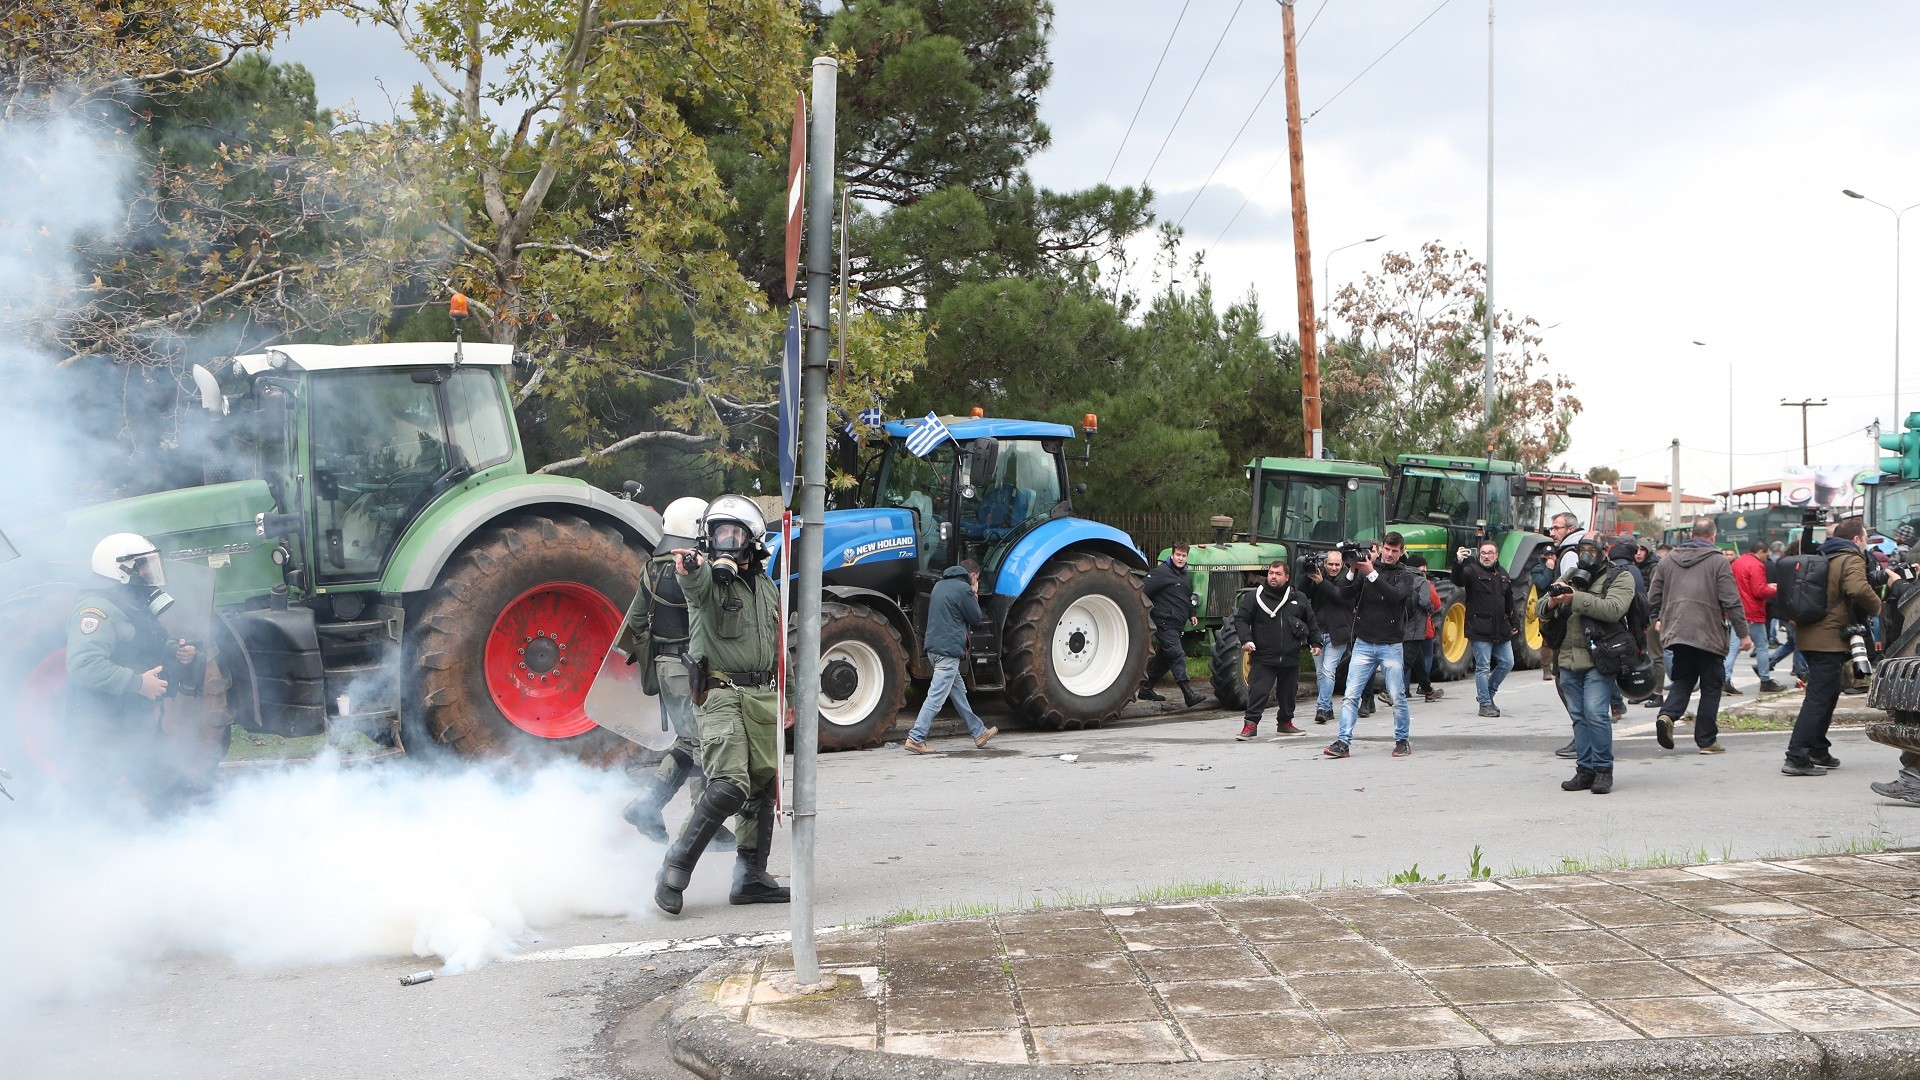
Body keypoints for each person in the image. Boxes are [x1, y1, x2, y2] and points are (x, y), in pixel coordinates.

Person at [656, 495, 788, 914]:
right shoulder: (708, 581)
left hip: (764, 695)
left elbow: (779, 645)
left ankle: (749, 878)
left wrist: (789, 698)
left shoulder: (766, 586)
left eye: (734, 533)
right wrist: (691, 569)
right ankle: (675, 866)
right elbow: (693, 586)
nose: (726, 541)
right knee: (730, 785)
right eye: (718, 534)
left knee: (763, 785)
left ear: (753, 539)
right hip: (720, 695)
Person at [621, 498, 732, 850]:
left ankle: (646, 805)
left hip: (665, 668)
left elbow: (636, 622)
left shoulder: (652, 567)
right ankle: (706, 822)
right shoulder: (698, 569)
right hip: (692, 670)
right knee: (702, 744)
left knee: (687, 740)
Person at [66, 533, 198, 810]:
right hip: (103, 727)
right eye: (142, 565)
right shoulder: (97, 609)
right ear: (120, 569)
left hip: (132, 719)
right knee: (89, 801)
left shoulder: (129, 602)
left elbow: (139, 642)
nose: (149, 571)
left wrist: (174, 649)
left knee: (171, 790)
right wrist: (137, 683)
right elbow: (83, 665)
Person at [1539, 537, 1637, 794]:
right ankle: (1585, 770)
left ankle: (1603, 770)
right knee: (1579, 716)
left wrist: (1575, 598)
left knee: (1595, 713)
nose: (1586, 555)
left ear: (1605, 551)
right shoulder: (1571, 573)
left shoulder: (1620, 576)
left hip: (1599, 656)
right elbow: (1541, 607)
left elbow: (1614, 609)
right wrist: (1551, 602)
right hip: (1568, 656)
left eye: (1591, 550)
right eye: (1581, 550)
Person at [1783, 518, 1880, 776]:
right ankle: (1797, 756)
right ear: (1857, 540)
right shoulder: (1851, 558)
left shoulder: (1822, 556)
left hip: (1809, 635)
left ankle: (1817, 748)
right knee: (1818, 698)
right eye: (1865, 540)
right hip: (1828, 639)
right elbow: (1857, 588)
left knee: (1828, 694)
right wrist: (1877, 606)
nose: (1865, 545)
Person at [1647, 518, 1750, 756]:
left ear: (1691, 534)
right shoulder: (1718, 561)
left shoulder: (1668, 560)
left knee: (1683, 679)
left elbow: (1653, 595)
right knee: (1712, 685)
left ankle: (1667, 714)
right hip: (1708, 632)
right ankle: (1706, 741)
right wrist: (1743, 634)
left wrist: (1655, 619)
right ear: (1713, 537)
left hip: (1677, 631)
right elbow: (1731, 601)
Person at [1325, 534, 1418, 760]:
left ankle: (1402, 740)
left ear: (1401, 551)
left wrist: (1371, 574)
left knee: (1396, 696)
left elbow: (1395, 596)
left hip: (1391, 644)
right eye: (1387, 549)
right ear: (1381, 548)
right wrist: (1352, 569)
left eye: (1394, 551)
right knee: (1350, 695)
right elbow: (1343, 594)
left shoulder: (1405, 575)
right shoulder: (1366, 570)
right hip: (1364, 643)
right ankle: (1343, 742)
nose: (1389, 554)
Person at [905, 559, 998, 753]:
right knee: (936, 696)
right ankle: (916, 737)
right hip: (948, 652)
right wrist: (974, 593)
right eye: (977, 578)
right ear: (972, 575)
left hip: (933, 649)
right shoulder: (963, 589)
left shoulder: (939, 585)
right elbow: (976, 617)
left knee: (958, 693)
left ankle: (978, 732)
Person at [1234, 559, 1317, 740]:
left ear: (1287, 577)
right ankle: (1250, 725)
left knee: (1288, 694)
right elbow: (1240, 619)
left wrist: (1316, 643)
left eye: (1278, 574)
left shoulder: (1298, 598)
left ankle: (1285, 723)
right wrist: (1245, 640)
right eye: (1271, 573)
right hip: (1264, 656)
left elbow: (1311, 622)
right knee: (1258, 692)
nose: (1273, 576)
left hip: (1290, 656)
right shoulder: (1255, 597)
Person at [1452, 540, 1519, 717]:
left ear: (1496, 555)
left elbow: (1509, 602)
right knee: (1483, 667)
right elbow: (1458, 580)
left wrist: (1515, 623)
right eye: (1483, 553)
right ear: (1479, 554)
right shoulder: (1471, 571)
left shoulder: (1503, 574)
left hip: (1500, 628)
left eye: (1490, 553)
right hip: (1479, 628)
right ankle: (1485, 704)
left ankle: (1487, 694)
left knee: (1507, 662)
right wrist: (1458, 562)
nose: (1486, 556)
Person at [1139, 541, 1204, 708]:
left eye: (1183, 556)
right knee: (1176, 655)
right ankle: (1188, 694)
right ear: (1172, 555)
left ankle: (1146, 688)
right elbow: (1142, 592)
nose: (1181, 558)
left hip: (1176, 623)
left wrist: (1192, 614)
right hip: (1163, 621)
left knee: (1166, 659)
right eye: (1178, 555)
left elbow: (1185, 597)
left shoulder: (1184, 576)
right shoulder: (1161, 572)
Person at [1306, 548, 1359, 724]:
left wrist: (1321, 583)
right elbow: (1302, 593)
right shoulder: (1317, 575)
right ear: (1324, 563)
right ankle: (1327, 709)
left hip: (1338, 633)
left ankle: (1321, 707)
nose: (1334, 567)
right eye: (1330, 564)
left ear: (1342, 564)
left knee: (1329, 671)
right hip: (1317, 632)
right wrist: (1307, 574)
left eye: (1337, 564)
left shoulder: (1349, 577)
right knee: (1321, 673)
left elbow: (1340, 596)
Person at [1732, 539, 1784, 693]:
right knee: (1762, 646)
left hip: (1738, 610)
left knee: (1734, 647)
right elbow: (1759, 590)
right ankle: (1765, 680)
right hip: (1753, 611)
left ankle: (1725, 678)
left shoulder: (1737, 562)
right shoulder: (1756, 565)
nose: (1766, 559)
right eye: (1766, 555)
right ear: (1760, 552)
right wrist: (1775, 589)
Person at [1399, 554, 1442, 703]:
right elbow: (1433, 602)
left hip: (1401, 624)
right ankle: (1390, 690)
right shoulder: (1424, 582)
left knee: (1414, 657)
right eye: (1424, 566)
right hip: (1420, 625)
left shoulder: (1400, 577)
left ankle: (1423, 688)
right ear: (1421, 567)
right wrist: (1430, 609)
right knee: (1419, 656)